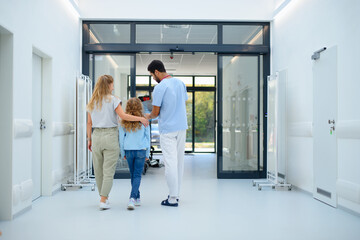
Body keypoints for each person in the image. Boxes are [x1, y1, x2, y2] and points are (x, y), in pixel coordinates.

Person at [87, 75, 149, 210]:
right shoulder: (114, 100)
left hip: (96, 135)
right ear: (108, 85)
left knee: (98, 170)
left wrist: (89, 139)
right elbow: (123, 116)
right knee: (108, 171)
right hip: (110, 135)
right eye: (112, 84)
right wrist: (140, 118)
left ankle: (104, 198)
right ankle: (103, 200)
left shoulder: (92, 101)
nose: (113, 87)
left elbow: (89, 123)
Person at [146, 60, 188, 207]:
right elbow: (182, 103)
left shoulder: (160, 87)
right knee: (179, 162)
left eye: (152, 75)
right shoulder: (181, 83)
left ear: (157, 72)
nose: (153, 78)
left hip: (168, 129)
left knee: (170, 163)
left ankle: (172, 198)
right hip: (181, 127)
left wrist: (147, 116)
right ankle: (176, 194)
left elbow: (155, 112)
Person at [119, 98, 150, 210]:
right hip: (141, 150)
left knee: (133, 175)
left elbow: (121, 139)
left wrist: (123, 153)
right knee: (136, 175)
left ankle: (134, 197)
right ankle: (134, 197)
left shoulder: (123, 121)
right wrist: (147, 153)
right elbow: (148, 137)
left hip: (129, 150)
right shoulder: (144, 120)